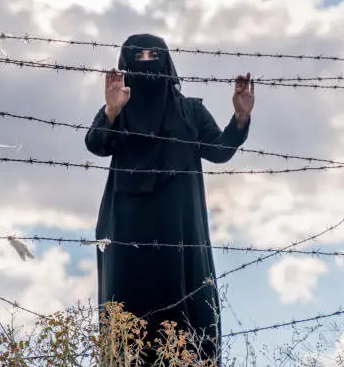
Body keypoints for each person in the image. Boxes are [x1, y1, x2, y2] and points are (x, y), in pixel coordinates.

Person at [85, 33, 254, 365]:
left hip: (180, 229)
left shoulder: (190, 111)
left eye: (154, 57)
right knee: (126, 313)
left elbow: (219, 151)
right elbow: (96, 144)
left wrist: (240, 118)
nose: (147, 65)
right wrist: (111, 109)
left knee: (187, 307)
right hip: (127, 231)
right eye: (139, 58)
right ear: (125, 66)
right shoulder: (120, 110)